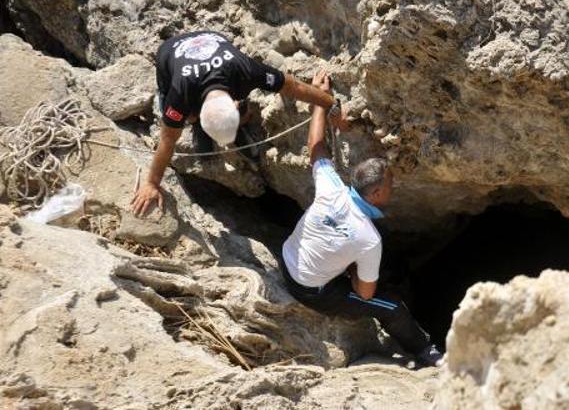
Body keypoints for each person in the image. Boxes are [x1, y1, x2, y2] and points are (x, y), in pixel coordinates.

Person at [280, 70, 443, 367]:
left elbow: (315, 145)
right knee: (391, 306)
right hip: (310, 289)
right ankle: (427, 352)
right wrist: (353, 271)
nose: (394, 189)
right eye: (391, 186)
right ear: (377, 192)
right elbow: (364, 293)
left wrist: (320, 101)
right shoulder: (369, 239)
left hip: (287, 260)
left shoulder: (331, 186)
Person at [132, 30, 347, 216]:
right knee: (176, 122)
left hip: (212, 40)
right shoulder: (179, 95)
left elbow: (291, 86)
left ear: (234, 104)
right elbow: (167, 140)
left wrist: (332, 104)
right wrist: (151, 183)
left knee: (225, 117)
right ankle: (204, 132)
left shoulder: (245, 69)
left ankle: (237, 126)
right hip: (170, 52)